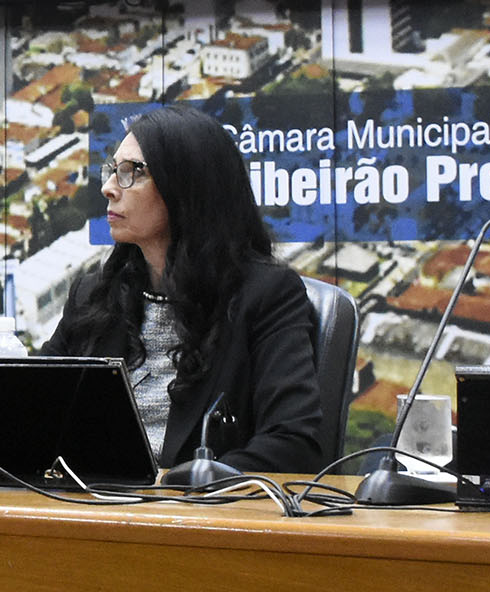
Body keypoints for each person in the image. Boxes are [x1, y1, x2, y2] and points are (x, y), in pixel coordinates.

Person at [46, 105, 327, 473]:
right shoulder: (93, 294)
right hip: (91, 509)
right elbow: (38, 413)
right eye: (113, 170)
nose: (109, 188)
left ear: (187, 187)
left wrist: (182, 486)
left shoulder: (267, 295)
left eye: (133, 173)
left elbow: (293, 443)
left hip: (201, 518)